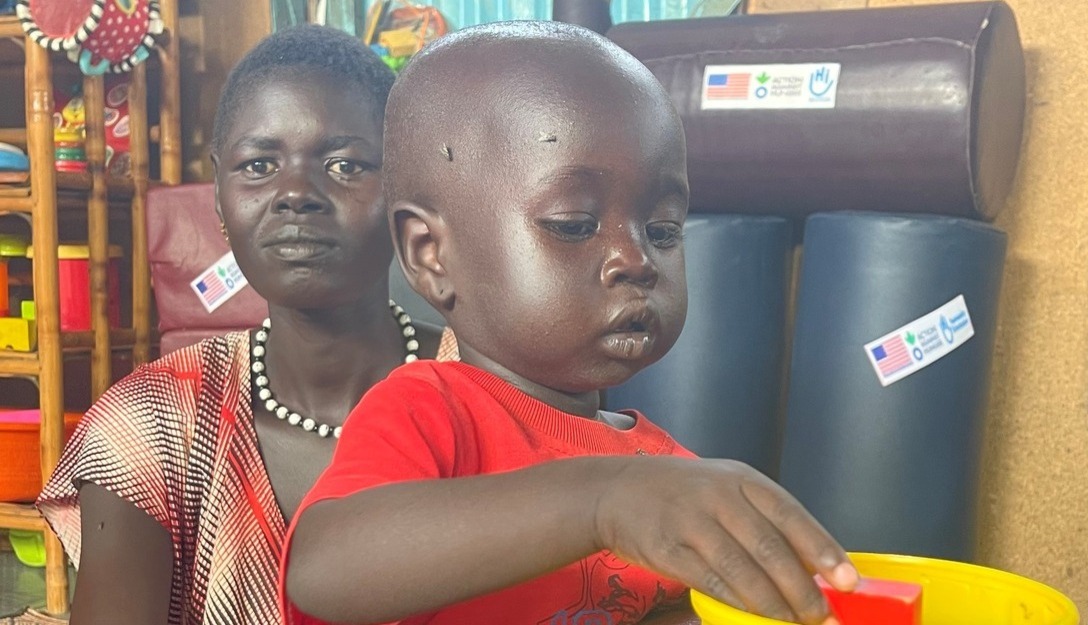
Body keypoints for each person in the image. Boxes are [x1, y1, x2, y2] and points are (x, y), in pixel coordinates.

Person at [283, 21, 857, 625]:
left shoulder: (667, 474)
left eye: (662, 230)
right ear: (431, 253)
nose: (635, 259)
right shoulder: (428, 411)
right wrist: (603, 502)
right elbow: (325, 568)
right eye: (574, 224)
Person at [36, 25, 456, 625]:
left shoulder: (488, 387)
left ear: (405, 187)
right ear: (218, 194)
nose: (294, 195)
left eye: (344, 164)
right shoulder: (153, 425)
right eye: (259, 165)